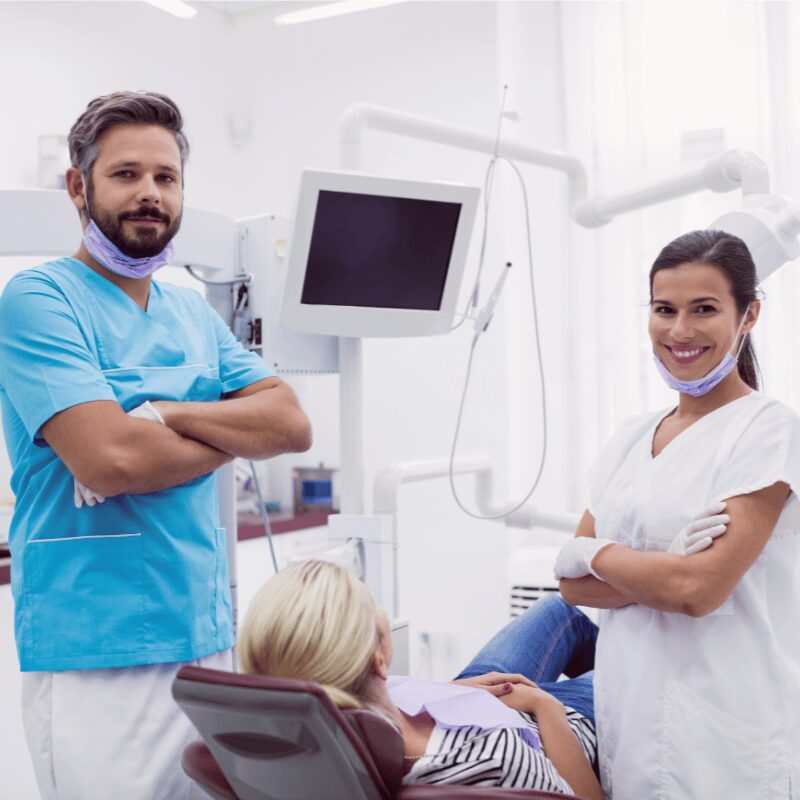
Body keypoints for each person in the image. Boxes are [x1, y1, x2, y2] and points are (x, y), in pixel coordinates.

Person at [0, 91, 312, 800]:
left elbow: (291, 424)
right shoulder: (38, 301)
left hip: (202, 637)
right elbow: (110, 461)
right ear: (78, 186)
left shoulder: (188, 314)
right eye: (126, 174)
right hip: (93, 655)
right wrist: (227, 432)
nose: (150, 194)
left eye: (166, 178)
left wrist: (163, 417)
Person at [554, 229, 800, 799]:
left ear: (749, 314)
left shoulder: (769, 431)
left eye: (704, 309)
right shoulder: (629, 437)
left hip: (728, 738)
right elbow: (572, 586)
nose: (680, 330)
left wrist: (601, 555)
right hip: (632, 723)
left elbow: (697, 591)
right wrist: (663, 566)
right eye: (665, 309)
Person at [238, 559, 603, 799]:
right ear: (379, 660)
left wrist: (448, 695)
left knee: (558, 610)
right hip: (552, 725)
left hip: (456, 703)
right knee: (632, 667)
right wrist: (545, 705)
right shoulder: (494, 760)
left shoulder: (332, 723)